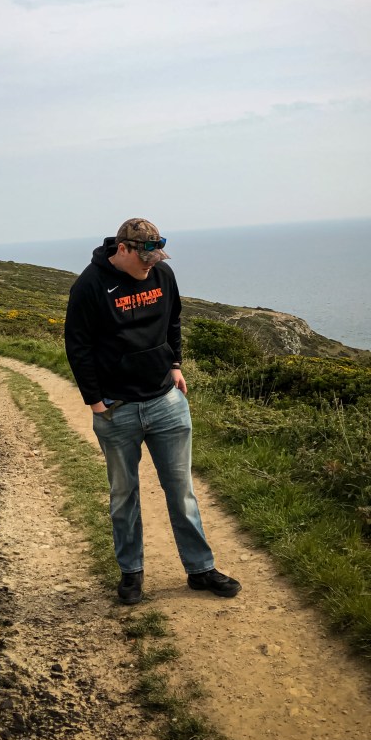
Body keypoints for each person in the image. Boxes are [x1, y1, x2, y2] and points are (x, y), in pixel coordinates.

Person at [64, 218, 241, 605]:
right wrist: (95, 400)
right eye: (144, 258)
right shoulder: (90, 285)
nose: (150, 266)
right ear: (123, 249)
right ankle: (131, 573)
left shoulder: (162, 274)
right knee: (123, 495)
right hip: (117, 409)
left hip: (166, 402)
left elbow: (173, 320)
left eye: (155, 257)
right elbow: (77, 345)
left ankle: (200, 569)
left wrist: (175, 365)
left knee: (182, 491)